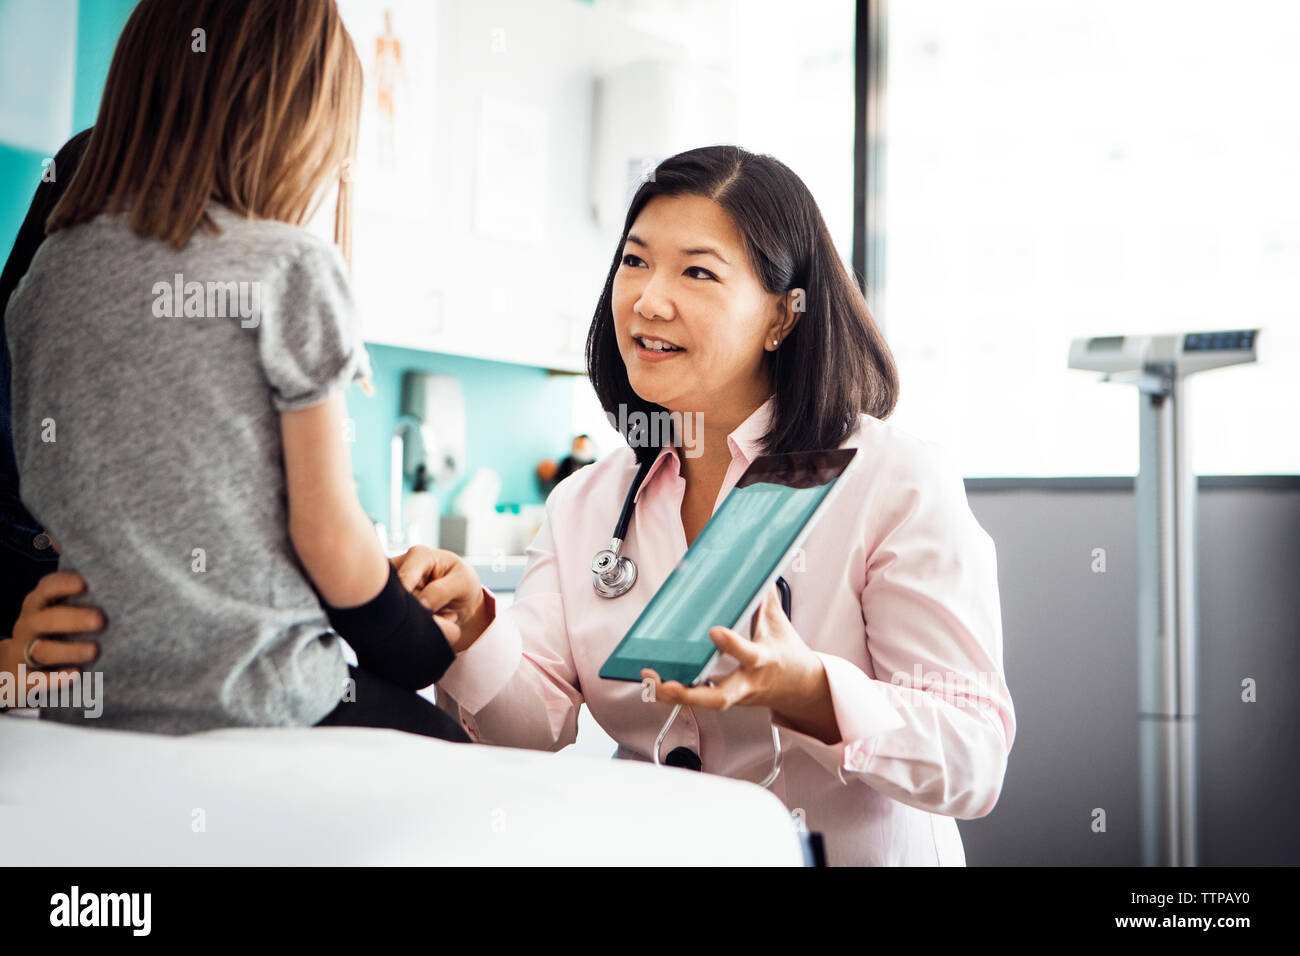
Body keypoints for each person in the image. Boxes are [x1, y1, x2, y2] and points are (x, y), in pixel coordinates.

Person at [407, 145, 1017, 865]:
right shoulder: (587, 503)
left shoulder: (892, 480)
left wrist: (813, 694)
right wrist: (475, 624)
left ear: (781, 319)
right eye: (635, 262)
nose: (648, 299)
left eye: (698, 271)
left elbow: (973, 756)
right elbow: (533, 726)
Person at [2, 0, 473, 740]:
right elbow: (327, 536)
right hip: (256, 694)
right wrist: (419, 648)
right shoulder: (288, 265)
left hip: (79, 691)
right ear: (294, 122)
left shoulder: (45, 280)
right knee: (455, 753)